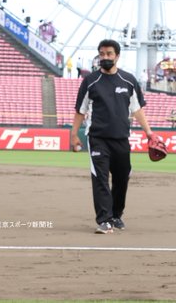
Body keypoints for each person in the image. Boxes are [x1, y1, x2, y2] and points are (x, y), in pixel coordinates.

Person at [71, 39, 156, 234]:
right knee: (100, 178)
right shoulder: (90, 81)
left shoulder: (128, 80)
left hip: (121, 138)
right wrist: (74, 134)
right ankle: (104, 220)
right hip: (97, 138)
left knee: (122, 178)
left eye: (109, 54)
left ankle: (116, 215)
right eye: (102, 54)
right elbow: (80, 110)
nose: (105, 57)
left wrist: (149, 133)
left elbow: (137, 109)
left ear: (117, 56)